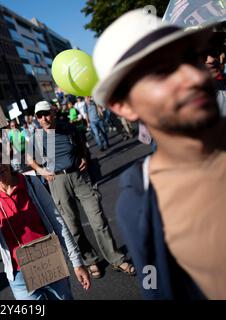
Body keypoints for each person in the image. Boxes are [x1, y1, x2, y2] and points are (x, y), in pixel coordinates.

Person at [92, 9, 226, 299]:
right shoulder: (139, 202)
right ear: (123, 106)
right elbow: (152, 282)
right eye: (162, 71)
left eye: (192, 57)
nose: (193, 75)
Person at [0, 143, 90, 300]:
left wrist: (77, 262)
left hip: (50, 262)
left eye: (0, 159)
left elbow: (57, 222)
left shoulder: (31, 183)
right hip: (20, 277)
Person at [28, 101, 135, 279]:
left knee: (98, 219)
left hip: (80, 177)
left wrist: (84, 156)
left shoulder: (68, 128)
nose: (43, 119)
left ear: (53, 113)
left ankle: (116, 259)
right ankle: (90, 261)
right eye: (39, 116)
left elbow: (81, 145)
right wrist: (41, 171)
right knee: (73, 226)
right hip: (58, 181)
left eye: (46, 114)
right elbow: (30, 159)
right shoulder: (36, 138)